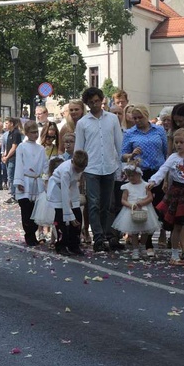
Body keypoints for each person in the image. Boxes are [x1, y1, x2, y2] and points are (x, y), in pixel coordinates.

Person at [147, 128, 184, 268]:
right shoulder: (173, 157)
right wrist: (153, 181)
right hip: (177, 192)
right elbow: (163, 170)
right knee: (177, 227)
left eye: (182, 142)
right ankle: (174, 255)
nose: (179, 145)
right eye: (176, 142)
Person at [75, 87, 124, 253]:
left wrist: (121, 166)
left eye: (97, 101)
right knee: (94, 204)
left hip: (110, 166)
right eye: (91, 102)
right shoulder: (82, 123)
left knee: (107, 204)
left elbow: (119, 144)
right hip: (91, 168)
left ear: (101, 100)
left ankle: (105, 234)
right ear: (87, 103)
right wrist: (78, 172)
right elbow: (79, 148)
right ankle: (98, 238)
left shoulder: (112, 119)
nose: (95, 104)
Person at [121, 105, 168, 256]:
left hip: (158, 172)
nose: (137, 121)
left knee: (158, 207)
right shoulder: (130, 133)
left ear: (146, 116)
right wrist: (131, 155)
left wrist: (166, 175)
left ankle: (148, 237)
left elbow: (166, 151)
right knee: (145, 207)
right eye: (134, 118)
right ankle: (147, 244)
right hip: (141, 174)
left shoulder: (159, 130)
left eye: (140, 117)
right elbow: (123, 155)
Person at [112, 162, 160, 261]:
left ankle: (142, 246)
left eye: (132, 175)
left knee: (146, 231)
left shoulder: (146, 185)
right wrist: (131, 205)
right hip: (132, 211)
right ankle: (135, 250)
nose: (130, 178)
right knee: (134, 232)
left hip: (145, 209)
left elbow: (150, 198)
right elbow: (123, 200)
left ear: (139, 174)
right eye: (128, 176)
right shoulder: (127, 186)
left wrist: (142, 203)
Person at [48, 150, 89, 256]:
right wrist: (70, 216)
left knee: (78, 215)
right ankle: (61, 244)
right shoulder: (66, 170)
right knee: (61, 217)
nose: (79, 170)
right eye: (77, 168)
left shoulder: (81, 168)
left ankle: (74, 244)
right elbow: (64, 193)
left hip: (72, 187)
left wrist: (74, 214)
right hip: (58, 188)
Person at [13, 120, 47, 247]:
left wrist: (46, 179)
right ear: (26, 133)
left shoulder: (41, 148)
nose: (35, 135)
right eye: (32, 132)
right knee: (26, 210)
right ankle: (29, 234)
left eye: (36, 132)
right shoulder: (22, 147)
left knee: (36, 209)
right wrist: (19, 181)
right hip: (26, 180)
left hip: (37, 181)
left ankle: (34, 232)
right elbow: (19, 164)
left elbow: (45, 165)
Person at [1, 117, 23, 204]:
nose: (5, 125)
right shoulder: (9, 133)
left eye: (7, 123)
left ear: (12, 124)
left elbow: (14, 147)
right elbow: (8, 146)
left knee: (12, 177)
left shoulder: (16, 133)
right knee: (10, 177)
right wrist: (4, 155)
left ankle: (14, 195)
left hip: (14, 158)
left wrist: (7, 157)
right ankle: (13, 194)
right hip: (9, 157)